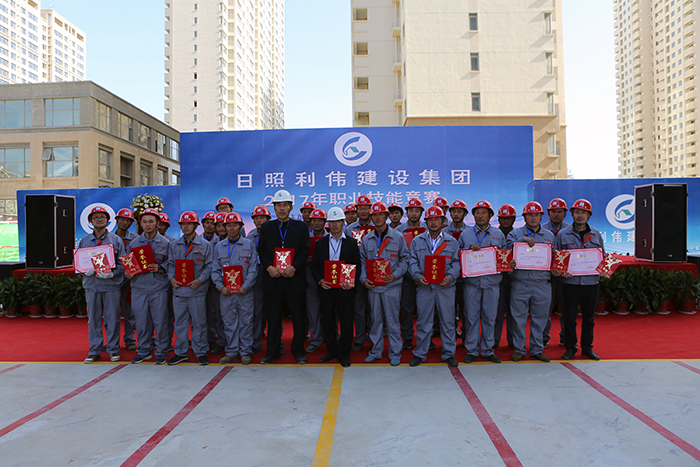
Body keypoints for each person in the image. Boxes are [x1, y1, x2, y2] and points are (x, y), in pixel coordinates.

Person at [258, 189, 311, 364]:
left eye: (285, 205)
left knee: (298, 317)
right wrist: (269, 267)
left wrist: (294, 267)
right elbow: (262, 250)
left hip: (294, 278)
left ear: (290, 207)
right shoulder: (266, 227)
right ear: (274, 208)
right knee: (273, 318)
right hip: (273, 279)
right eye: (278, 205)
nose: (282, 208)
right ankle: (272, 351)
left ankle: (298, 351)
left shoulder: (301, 227)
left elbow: (304, 251)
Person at [408, 206, 460, 367]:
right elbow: (412, 261)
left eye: (437, 219)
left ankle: (449, 353)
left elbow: (457, 263)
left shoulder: (452, 241)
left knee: (448, 321)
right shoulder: (417, 241)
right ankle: (420, 353)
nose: (434, 222)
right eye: (430, 219)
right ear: (426, 222)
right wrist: (418, 276)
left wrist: (450, 277)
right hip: (425, 287)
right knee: (423, 321)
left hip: (446, 288)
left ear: (443, 221)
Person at [360, 201, 409, 365]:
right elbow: (362, 262)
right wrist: (363, 279)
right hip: (373, 287)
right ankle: (376, 351)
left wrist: (395, 275)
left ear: (386, 216)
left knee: (392, 320)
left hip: (391, 287)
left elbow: (405, 259)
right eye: (374, 215)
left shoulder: (398, 237)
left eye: (380, 214)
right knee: (375, 320)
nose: (377, 218)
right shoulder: (367, 239)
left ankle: (395, 353)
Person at [310, 206, 360, 367]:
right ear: (328, 224)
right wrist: (320, 281)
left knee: (346, 321)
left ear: (343, 222)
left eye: (337, 221)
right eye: (331, 222)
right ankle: (331, 350)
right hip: (327, 288)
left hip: (345, 288)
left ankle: (344, 353)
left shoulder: (351, 243)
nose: (334, 225)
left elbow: (357, 266)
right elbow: (314, 266)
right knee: (328, 321)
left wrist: (351, 282)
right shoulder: (320, 243)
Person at [554, 199, 603, 361]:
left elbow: (602, 256)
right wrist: (561, 271)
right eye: (577, 212)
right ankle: (570, 347)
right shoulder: (563, 234)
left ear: (589, 215)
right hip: (570, 283)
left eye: (583, 212)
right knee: (569, 317)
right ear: (572, 214)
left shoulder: (596, 234)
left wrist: (604, 270)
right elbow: (556, 257)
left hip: (591, 283)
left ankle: (587, 347)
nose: (580, 215)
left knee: (589, 318)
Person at [505, 202, 555, 362]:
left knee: (540, 318)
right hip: (520, 282)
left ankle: (537, 349)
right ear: (524, 217)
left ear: (541, 216)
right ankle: (519, 349)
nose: (533, 218)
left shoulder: (549, 236)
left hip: (542, 283)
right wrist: (522, 240)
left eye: (536, 215)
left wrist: (558, 267)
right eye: (530, 215)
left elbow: (555, 257)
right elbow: (506, 252)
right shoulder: (515, 234)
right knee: (518, 319)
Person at [459, 200, 505, 363]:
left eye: (483, 212)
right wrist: (468, 252)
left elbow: (504, 258)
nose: (480, 216)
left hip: (492, 284)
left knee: (489, 318)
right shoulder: (465, 234)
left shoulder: (499, 234)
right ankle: (471, 350)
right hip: (472, 284)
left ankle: (487, 350)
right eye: (477, 212)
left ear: (490, 215)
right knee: (471, 318)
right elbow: (458, 257)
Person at [166, 211, 213, 366]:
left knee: (199, 323)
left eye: (189, 224)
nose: (185, 227)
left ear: (196, 225)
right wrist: (171, 279)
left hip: (196, 292)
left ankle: (201, 352)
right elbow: (170, 264)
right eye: (183, 224)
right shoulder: (174, 245)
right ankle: (181, 352)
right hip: (179, 292)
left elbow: (209, 266)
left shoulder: (205, 245)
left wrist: (200, 280)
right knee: (180, 323)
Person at [80, 206, 126, 363]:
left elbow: (123, 263)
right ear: (90, 221)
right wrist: (83, 271)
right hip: (91, 286)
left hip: (111, 286)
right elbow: (77, 262)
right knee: (93, 319)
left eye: (102, 217)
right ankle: (94, 350)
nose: (99, 220)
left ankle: (113, 350)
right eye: (96, 217)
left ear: (108, 220)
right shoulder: (84, 241)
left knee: (112, 319)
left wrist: (113, 273)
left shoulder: (116, 240)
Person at [212, 212, 258, 365]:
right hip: (226, 293)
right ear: (224, 227)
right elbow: (215, 270)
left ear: (240, 227)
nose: (231, 228)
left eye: (234, 225)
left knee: (246, 322)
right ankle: (231, 351)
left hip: (244, 293)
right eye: (228, 225)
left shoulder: (249, 244)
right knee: (229, 322)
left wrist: (246, 286)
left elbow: (253, 269)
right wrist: (220, 287)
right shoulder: (219, 247)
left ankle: (245, 351)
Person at [128, 209, 172, 365]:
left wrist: (160, 267)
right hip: (139, 289)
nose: (148, 225)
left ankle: (162, 351)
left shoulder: (166, 243)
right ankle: (144, 351)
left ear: (157, 223)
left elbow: (171, 264)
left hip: (159, 289)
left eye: (151, 221)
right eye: (145, 222)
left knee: (161, 322)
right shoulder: (134, 243)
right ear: (140, 224)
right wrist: (129, 271)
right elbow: (128, 263)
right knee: (141, 322)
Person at [396, 197, 426, 350]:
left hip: (424, 275)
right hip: (406, 275)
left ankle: (425, 337)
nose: (414, 213)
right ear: (406, 213)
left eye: (417, 211)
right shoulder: (398, 231)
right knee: (406, 308)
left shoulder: (428, 229)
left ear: (421, 212)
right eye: (411, 211)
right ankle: (407, 336)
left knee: (425, 309)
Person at [344, 194, 373, 351]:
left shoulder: (377, 226)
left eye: (365, 208)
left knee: (375, 308)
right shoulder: (349, 229)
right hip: (356, 272)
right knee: (359, 307)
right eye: (360, 208)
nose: (363, 211)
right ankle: (360, 338)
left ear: (370, 209)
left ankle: (374, 337)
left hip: (374, 271)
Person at [542, 198, 570, 348]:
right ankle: (543, 337)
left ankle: (565, 337)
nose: (556, 214)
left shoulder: (570, 230)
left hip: (565, 276)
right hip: (546, 276)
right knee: (544, 308)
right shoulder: (541, 230)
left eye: (560, 211)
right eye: (553, 212)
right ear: (548, 213)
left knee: (566, 308)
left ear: (565, 213)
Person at [246, 204, 271, 353]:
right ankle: (256, 340)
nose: (259, 220)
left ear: (268, 219)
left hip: (272, 273)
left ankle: (276, 342)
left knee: (273, 309)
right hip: (256, 273)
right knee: (256, 309)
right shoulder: (250, 236)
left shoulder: (274, 233)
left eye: (262, 217)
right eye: (257, 218)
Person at [201, 210, 225, 355]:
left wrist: (219, 283)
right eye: (208, 223)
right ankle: (208, 339)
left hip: (221, 285)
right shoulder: (205, 242)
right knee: (207, 313)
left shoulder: (228, 242)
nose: (211, 226)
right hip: (205, 283)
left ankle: (222, 340)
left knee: (220, 314)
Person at [114, 208, 138, 352]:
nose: (124, 222)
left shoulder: (136, 239)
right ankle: (113, 342)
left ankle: (130, 339)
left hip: (129, 281)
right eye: (122, 219)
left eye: (128, 221)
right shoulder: (109, 238)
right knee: (112, 313)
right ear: (117, 220)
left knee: (130, 313)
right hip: (112, 280)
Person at [444, 199, 468, 341]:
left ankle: (466, 334)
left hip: (465, 276)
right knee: (449, 308)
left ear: (465, 214)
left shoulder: (470, 232)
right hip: (448, 276)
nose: (456, 214)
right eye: (454, 212)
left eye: (459, 211)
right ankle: (451, 333)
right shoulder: (443, 232)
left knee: (466, 308)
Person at [494, 204, 517, 349]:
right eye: (503, 218)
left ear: (514, 219)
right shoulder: (493, 234)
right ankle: (494, 341)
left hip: (514, 278)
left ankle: (513, 341)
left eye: (508, 218)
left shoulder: (519, 235)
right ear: (498, 219)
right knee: (496, 312)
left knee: (513, 311)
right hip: (497, 277)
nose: (506, 221)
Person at [305, 208, 328, 353]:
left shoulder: (331, 237)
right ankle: (315, 339)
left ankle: (330, 336)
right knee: (313, 311)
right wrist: (305, 258)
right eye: (314, 220)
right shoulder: (305, 237)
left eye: (320, 220)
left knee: (329, 311)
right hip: (310, 279)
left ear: (325, 222)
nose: (317, 223)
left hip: (327, 279)